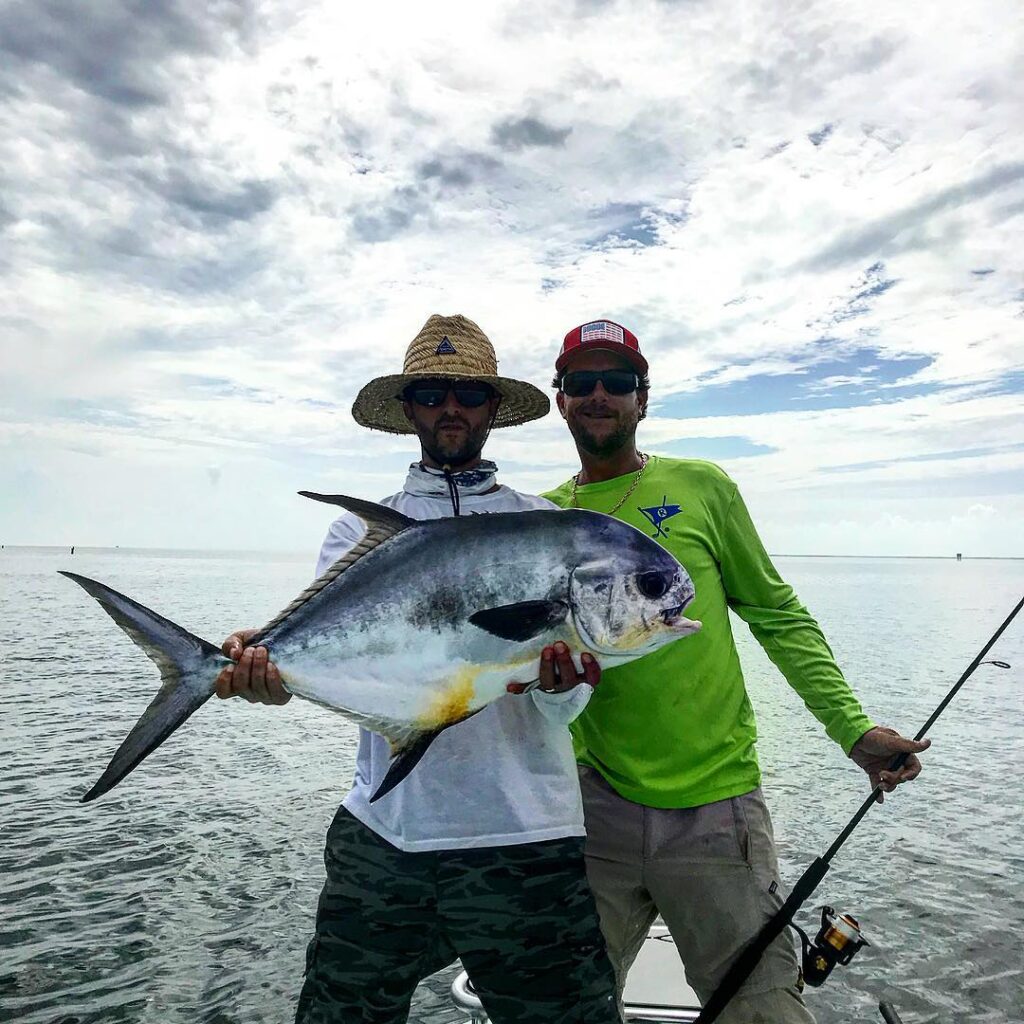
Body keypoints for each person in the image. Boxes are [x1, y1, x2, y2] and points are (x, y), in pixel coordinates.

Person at [214, 314, 620, 1024]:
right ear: (408, 409)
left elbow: (559, 706)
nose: (450, 410)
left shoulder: (545, 524)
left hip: (524, 836)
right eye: (432, 394)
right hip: (386, 833)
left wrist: (562, 690)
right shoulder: (362, 529)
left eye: (468, 396)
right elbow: (344, 666)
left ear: (495, 408)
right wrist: (271, 675)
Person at [540, 319, 930, 1024]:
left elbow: (776, 613)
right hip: (589, 809)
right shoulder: (544, 516)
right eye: (583, 382)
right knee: (563, 1008)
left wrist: (853, 730)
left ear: (643, 398)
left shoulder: (702, 487)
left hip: (716, 812)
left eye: (618, 381)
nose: (601, 395)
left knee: (762, 1013)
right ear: (560, 398)